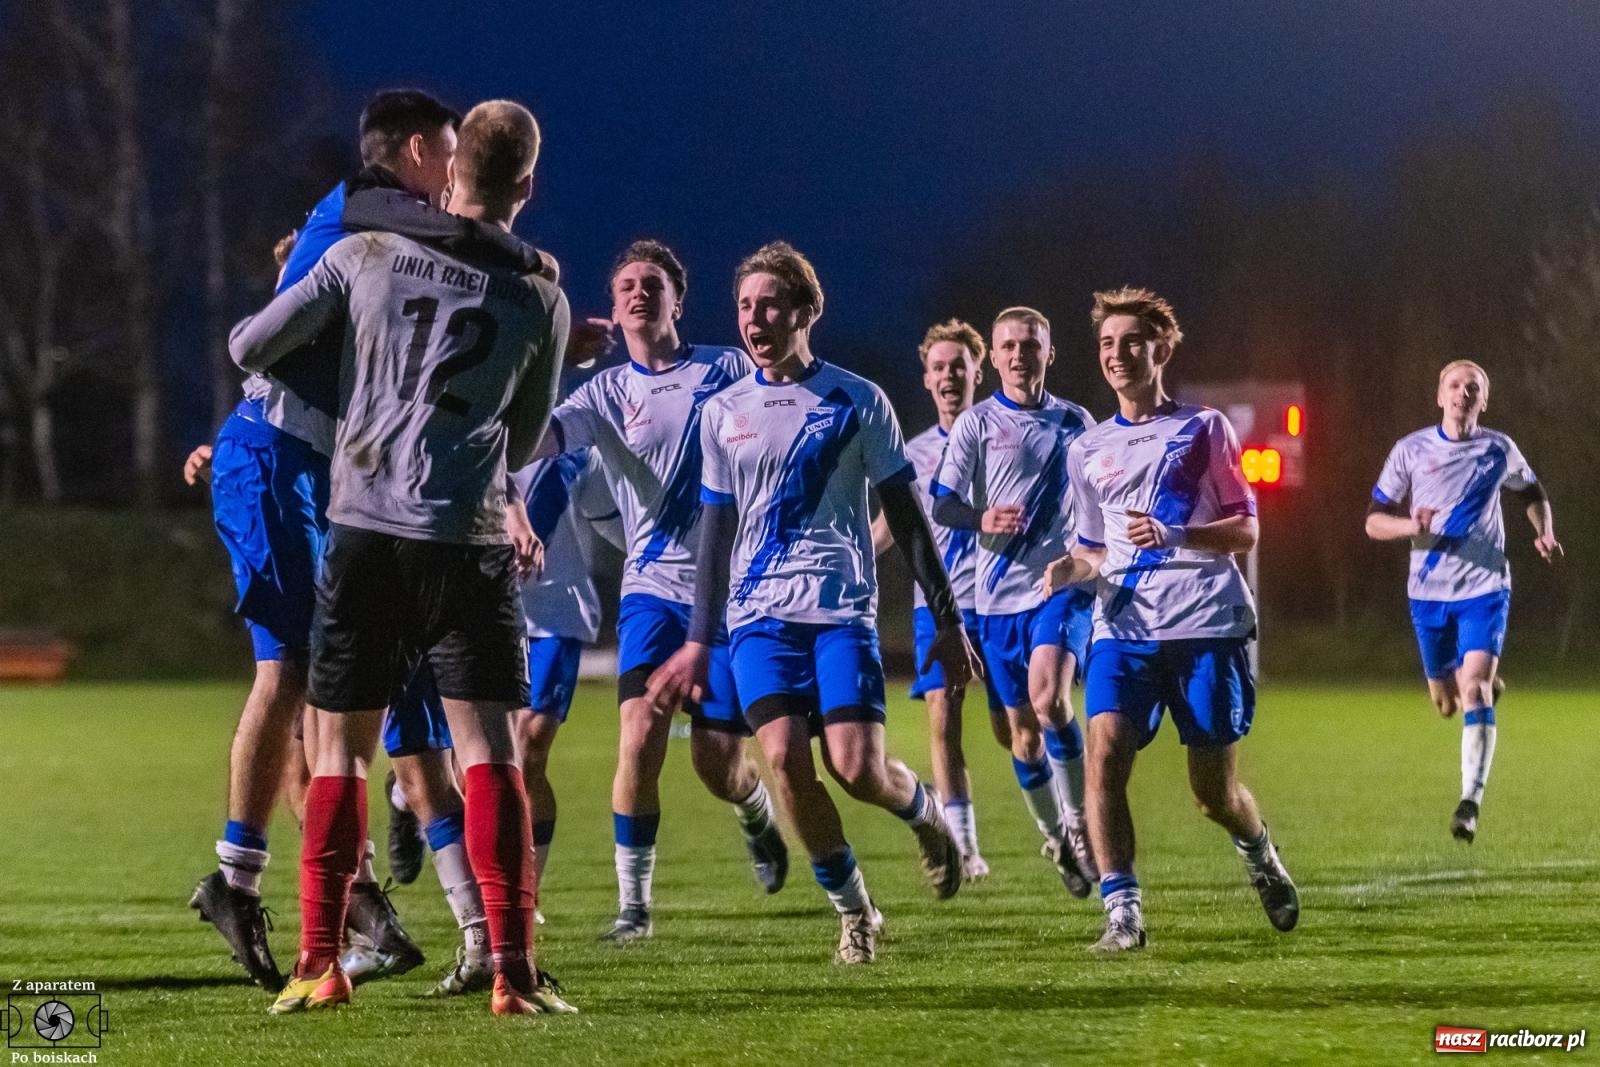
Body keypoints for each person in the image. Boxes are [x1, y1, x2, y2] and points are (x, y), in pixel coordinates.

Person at [230, 99, 574, 1016]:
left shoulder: (363, 253)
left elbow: (249, 347)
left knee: (338, 752)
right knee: (489, 754)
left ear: (449, 169)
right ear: (527, 185)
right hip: (466, 544)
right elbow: (530, 433)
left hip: (368, 531)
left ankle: (318, 961)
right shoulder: (540, 290)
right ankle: (513, 971)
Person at [186, 90, 473, 991]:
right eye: (452, 157)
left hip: (318, 472)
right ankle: (243, 881)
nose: (453, 179)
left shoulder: (383, 231)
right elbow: (461, 238)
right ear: (418, 150)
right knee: (298, 671)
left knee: (339, 675)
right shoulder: (363, 207)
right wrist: (522, 262)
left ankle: (345, 895)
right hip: (273, 455)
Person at [648, 242, 978, 965]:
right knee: (787, 763)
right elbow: (715, 531)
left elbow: (909, 515)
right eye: (743, 305)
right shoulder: (723, 411)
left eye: (768, 304)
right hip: (759, 620)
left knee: (859, 769)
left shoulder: (857, 400)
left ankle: (921, 810)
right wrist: (701, 637)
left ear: (805, 310)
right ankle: (856, 911)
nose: (754, 318)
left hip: (840, 615)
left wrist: (948, 621)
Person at [530, 240, 786, 944]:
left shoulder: (729, 369)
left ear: (678, 298)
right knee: (639, 737)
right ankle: (634, 909)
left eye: (652, 283)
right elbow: (537, 441)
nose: (639, 293)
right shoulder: (606, 394)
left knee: (716, 765)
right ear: (613, 308)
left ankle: (754, 806)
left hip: (735, 594)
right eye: (626, 286)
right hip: (650, 591)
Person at [1043, 286, 1298, 954]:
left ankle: (1260, 852)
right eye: (1106, 344)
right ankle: (1122, 914)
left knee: (1212, 793)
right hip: (1123, 628)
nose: (1117, 354)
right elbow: (1094, 546)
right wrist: (1070, 569)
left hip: (1205, 624)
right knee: (1103, 756)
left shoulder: (1203, 428)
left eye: (1131, 341)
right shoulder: (1086, 449)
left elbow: (1246, 530)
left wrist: (1176, 531)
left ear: (1161, 348)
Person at [932, 307, 1098, 896]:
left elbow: (1101, 498)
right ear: (995, 357)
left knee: (1050, 699)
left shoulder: (1077, 422)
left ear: (1049, 354)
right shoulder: (976, 425)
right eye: (1008, 346)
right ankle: (1055, 837)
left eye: (1031, 345)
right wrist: (983, 516)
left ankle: (1081, 825)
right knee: (1022, 736)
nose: (1019, 355)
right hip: (996, 599)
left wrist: (1092, 558)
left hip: (1059, 589)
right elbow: (941, 504)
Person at [1365, 359, 1561, 843]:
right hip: (1428, 594)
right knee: (1447, 703)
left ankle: (1469, 802)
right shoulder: (1411, 450)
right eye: (1454, 385)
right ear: (1439, 395)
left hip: (1485, 587)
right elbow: (1373, 520)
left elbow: (1531, 490)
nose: (1462, 393)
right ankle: (1484, 688)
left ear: (1483, 399)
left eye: (1472, 387)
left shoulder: (1498, 448)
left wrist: (1544, 531)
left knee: (1472, 690)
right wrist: (1411, 526)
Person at [870, 319, 1006, 878]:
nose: (950, 375)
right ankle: (967, 848)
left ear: (979, 371)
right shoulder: (914, 451)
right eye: (940, 367)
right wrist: (852, 561)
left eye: (960, 366)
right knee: (943, 721)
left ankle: (1062, 821)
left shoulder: (1003, 437)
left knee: (1014, 727)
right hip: (939, 605)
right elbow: (891, 527)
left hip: (1002, 601)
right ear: (927, 380)